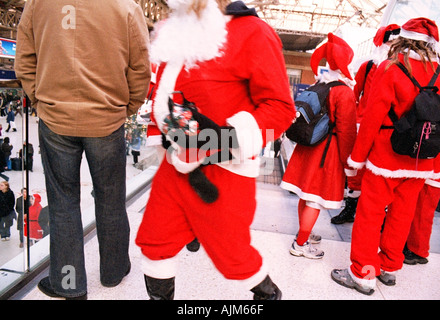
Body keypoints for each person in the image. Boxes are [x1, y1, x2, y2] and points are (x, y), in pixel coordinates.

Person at [135, 0, 295, 300]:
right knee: (155, 241)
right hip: (175, 165)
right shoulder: (176, 29)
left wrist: (223, 141)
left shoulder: (252, 32)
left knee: (233, 255)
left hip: (225, 173)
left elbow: (280, 109)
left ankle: (268, 296)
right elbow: (165, 93)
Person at [15, 0, 151, 300]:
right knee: (111, 198)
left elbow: (24, 59)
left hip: (56, 119)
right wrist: (127, 107)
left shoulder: (38, 3)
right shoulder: (126, 6)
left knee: (63, 203)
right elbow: (141, 66)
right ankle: (114, 272)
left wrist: (40, 100)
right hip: (107, 119)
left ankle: (69, 284)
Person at [331, 17, 440, 295]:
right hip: (422, 158)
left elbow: (371, 119)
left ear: (401, 39)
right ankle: (389, 268)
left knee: (370, 214)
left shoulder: (389, 68)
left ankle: (363, 273)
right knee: (402, 214)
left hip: (386, 156)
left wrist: (356, 158)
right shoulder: (439, 72)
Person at [280, 33, 357, 259]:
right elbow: (347, 132)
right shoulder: (344, 92)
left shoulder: (319, 84)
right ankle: (300, 244)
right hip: (327, 152)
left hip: (308, 147)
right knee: (315, 199)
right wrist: (348, 162)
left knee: (305, 194)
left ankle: (305, 231)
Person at [331, 24, 401, 225]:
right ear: (381, 43)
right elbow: (354, 94)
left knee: (381, 173)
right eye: (389, 41)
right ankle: (350, 209)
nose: (392, 46)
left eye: (396, 42)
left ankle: (380, 215)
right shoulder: (368, 67)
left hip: (388, 129)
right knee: (355, 171)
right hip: (362, 126)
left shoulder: (401, 69)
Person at [404, 180, 440, 265]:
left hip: (429, 178)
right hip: (434, 179)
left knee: (421, 214)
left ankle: (415, 249)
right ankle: (420, 249)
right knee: (425, 215)